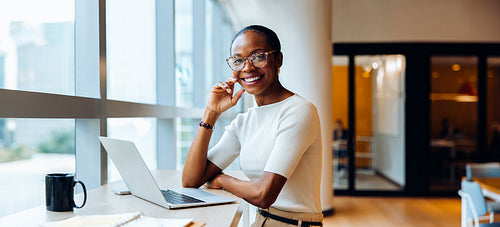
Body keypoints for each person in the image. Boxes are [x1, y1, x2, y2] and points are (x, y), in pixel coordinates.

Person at [182, 25, 323, 226]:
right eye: (238, 60)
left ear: (278, 60)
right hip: (261, 220)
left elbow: (264, 194)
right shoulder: (244, 121)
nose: (247, 68)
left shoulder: (299, 110)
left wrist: (221, 180)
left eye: (258, 57)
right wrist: (211, 113)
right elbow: (190, 180)